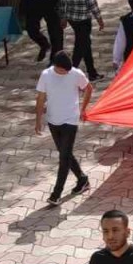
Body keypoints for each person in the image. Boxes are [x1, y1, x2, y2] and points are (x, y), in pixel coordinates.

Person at [35, 52, 92, 206]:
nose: (65, 73)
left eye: (68, 70)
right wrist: (38, 120)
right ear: (55, 66)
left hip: (70, 120)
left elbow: (88, 88)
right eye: (62, 70)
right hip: (53, 120)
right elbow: (40, 98)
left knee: (63, 158)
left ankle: (56, 194)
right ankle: (82, 179)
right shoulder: (46, 75)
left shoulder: (76, 74)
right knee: (65, 154)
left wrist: (83, 108)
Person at [59, 0, 105, 80]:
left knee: (85, 42)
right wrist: (99, 18)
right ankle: (69, 72)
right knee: (80, 45)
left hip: (72, 17)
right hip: (83, 18)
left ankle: (92, 72)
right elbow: (91, 1)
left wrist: (63, 16)